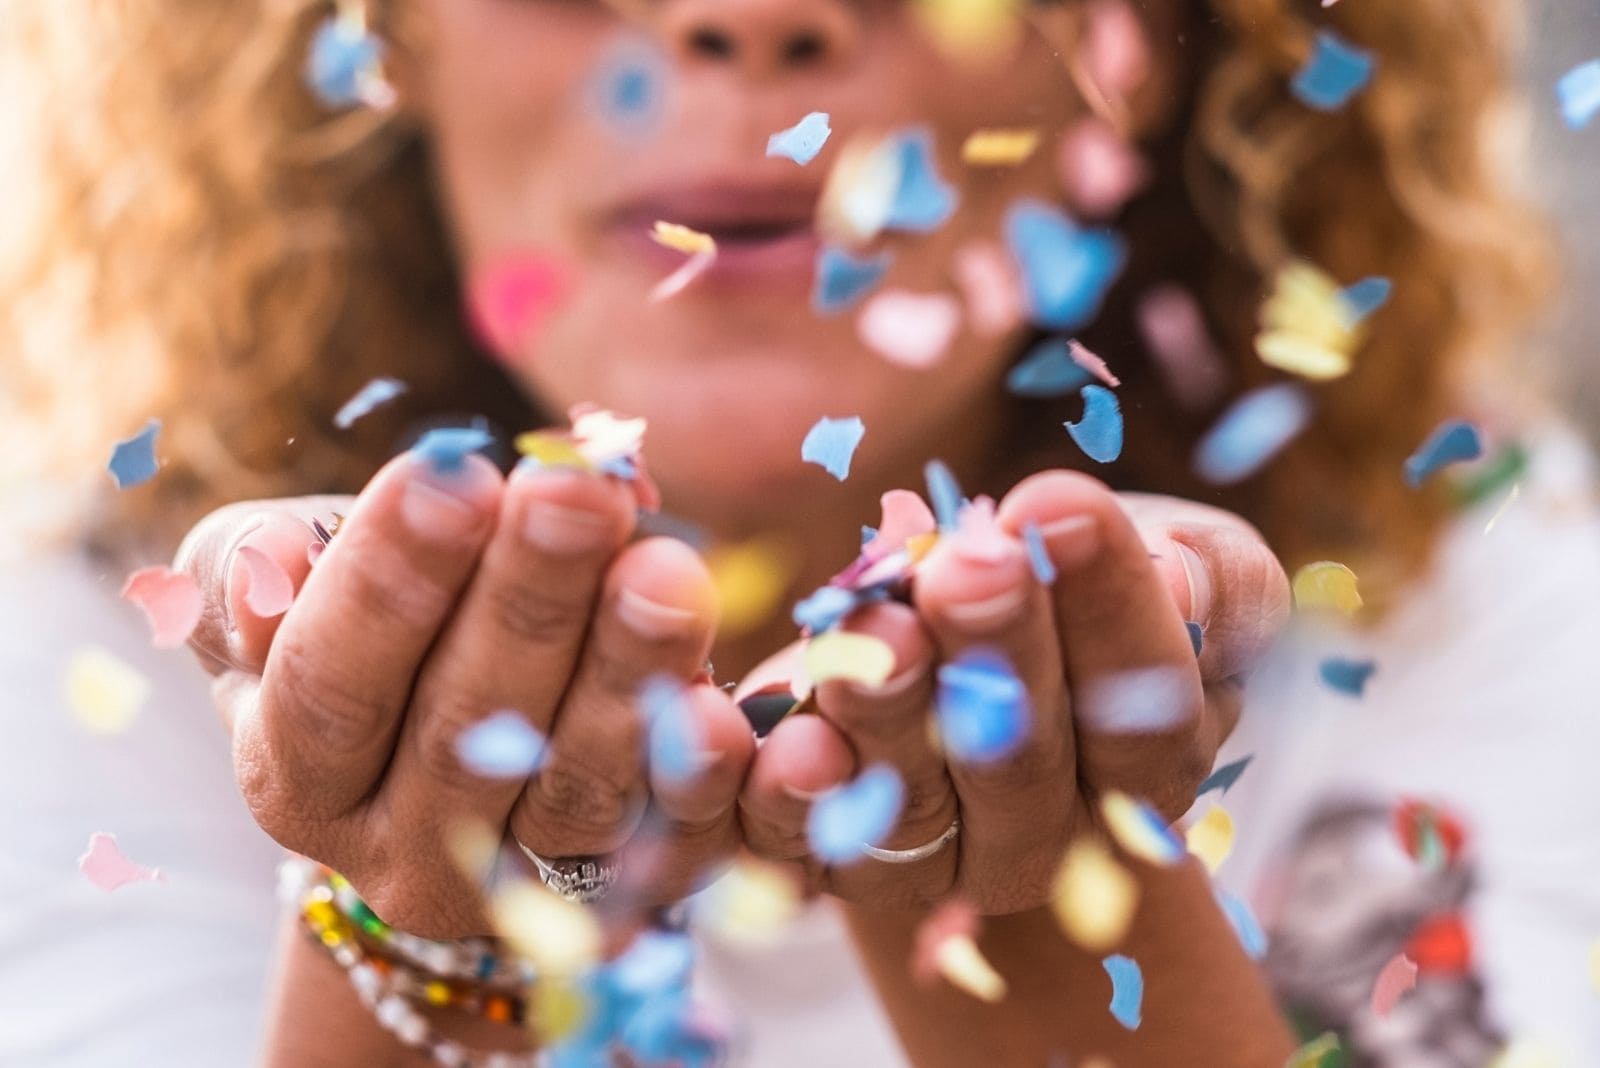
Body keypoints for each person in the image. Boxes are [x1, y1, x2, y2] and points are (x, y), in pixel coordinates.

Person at [3, 0, 1593, 1066]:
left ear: (1144, 42)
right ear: (377, 31)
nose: (747, 15)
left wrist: (1038, 905)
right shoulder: (89, 623)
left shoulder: (1446, 568)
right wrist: (423, 951)